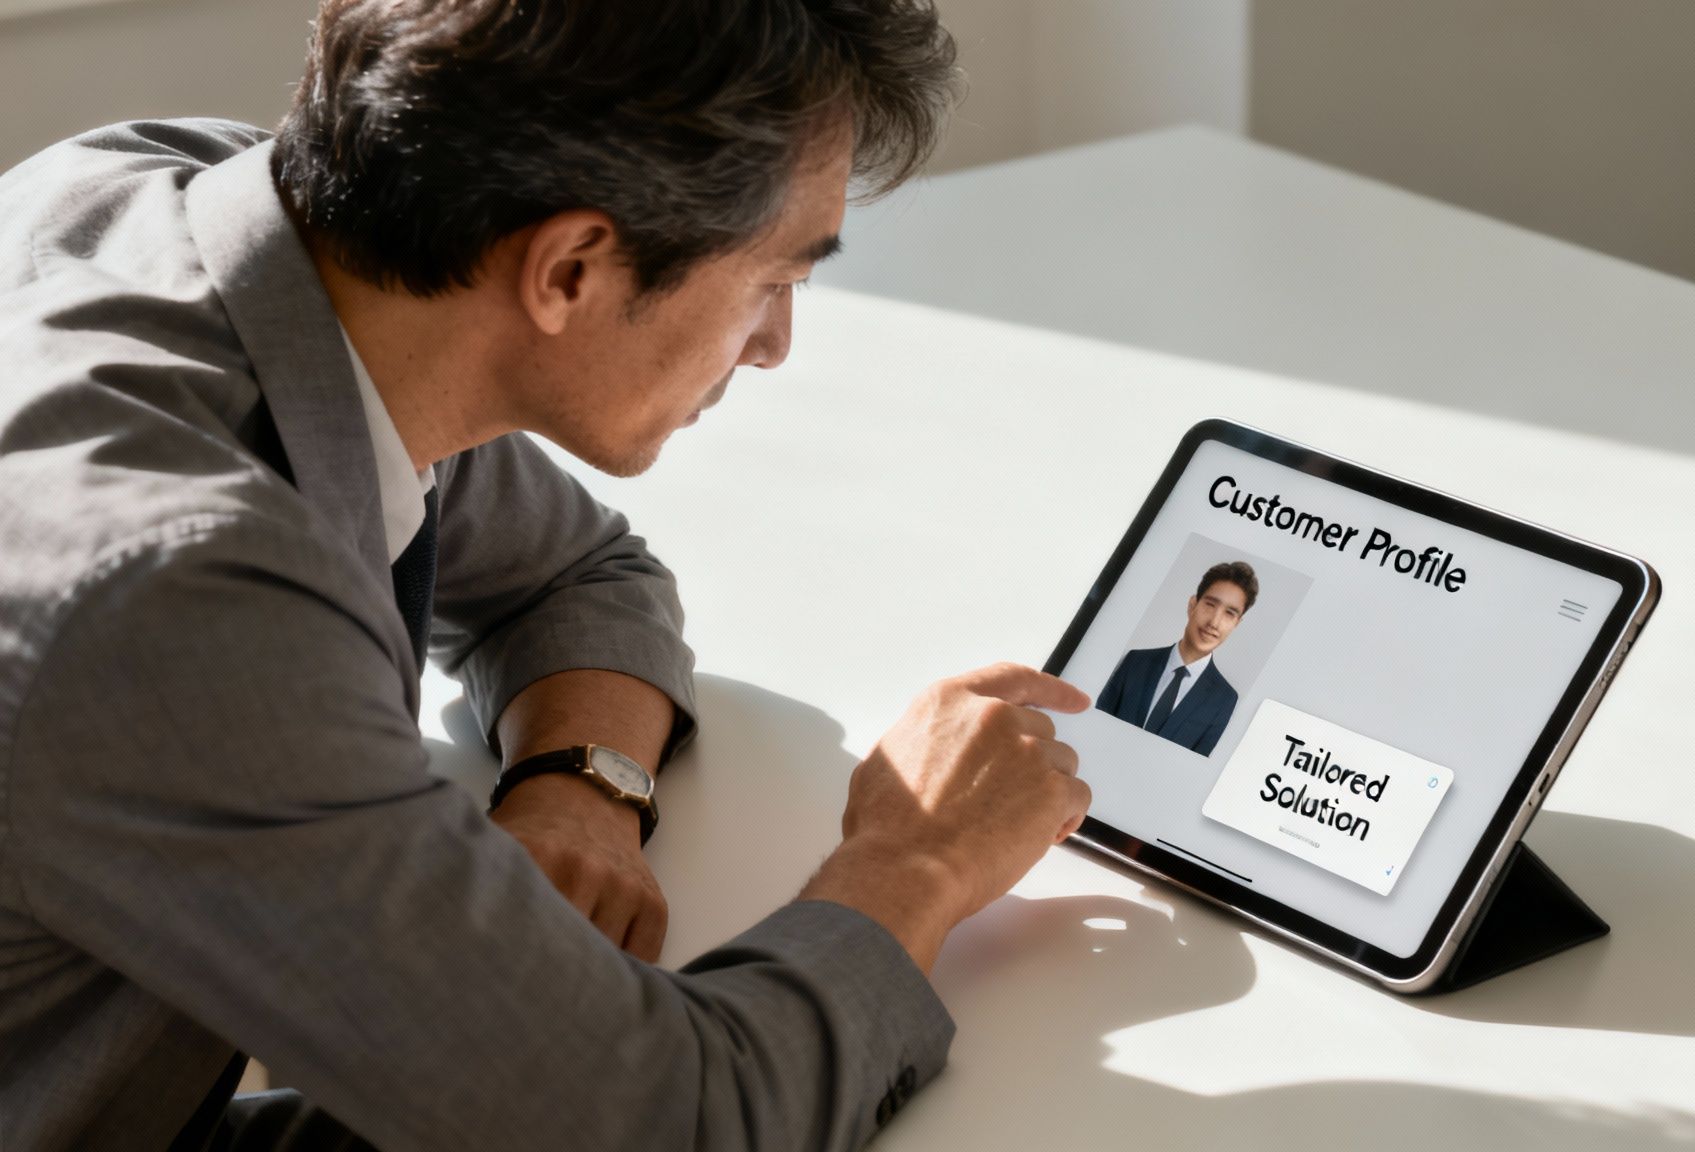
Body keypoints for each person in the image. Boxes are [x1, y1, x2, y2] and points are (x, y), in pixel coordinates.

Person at [0, 2, 1094, 1149]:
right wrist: (914, 858)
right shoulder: (180, 600)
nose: (775, 344)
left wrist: (577, 789)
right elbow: (676, 1123)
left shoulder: (181, 205)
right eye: (772, 279)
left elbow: (578, 574)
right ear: (568, 270)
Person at [1096, 560, 1259, 756]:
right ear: (1192, 605)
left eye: (1229, 614)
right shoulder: (1135, 661)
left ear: (1236, 624)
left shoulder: (1225, 700)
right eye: (1210, 604)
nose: (1214, 622)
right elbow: (1094, 724)